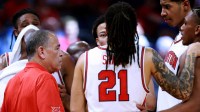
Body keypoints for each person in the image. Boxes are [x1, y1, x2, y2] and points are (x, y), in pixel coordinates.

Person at [70, 2, 199, 111]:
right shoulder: (147, 56)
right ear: (134, 28)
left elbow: (76, 109)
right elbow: (183, 91)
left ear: (108, 28)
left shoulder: (85, 59)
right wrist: (192, 53)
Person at [0, 8, 74, 111]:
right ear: (16, 32)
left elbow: (80, 104)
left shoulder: (62, 58)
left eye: (35, 24)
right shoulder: (5, 61)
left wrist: (65, 98)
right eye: (25, 25)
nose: (30, 28)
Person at [1, 30, 65, 112]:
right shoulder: (45, 79)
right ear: (42, 52)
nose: (61, 54)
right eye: (57, 48)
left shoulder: (12, 82)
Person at [156, 0, 195, 111]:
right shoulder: (181, 36)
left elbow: (197, 102)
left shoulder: (196, 41)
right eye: (162, 7)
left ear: (185, 5)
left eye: (167, 7)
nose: (162, 13)